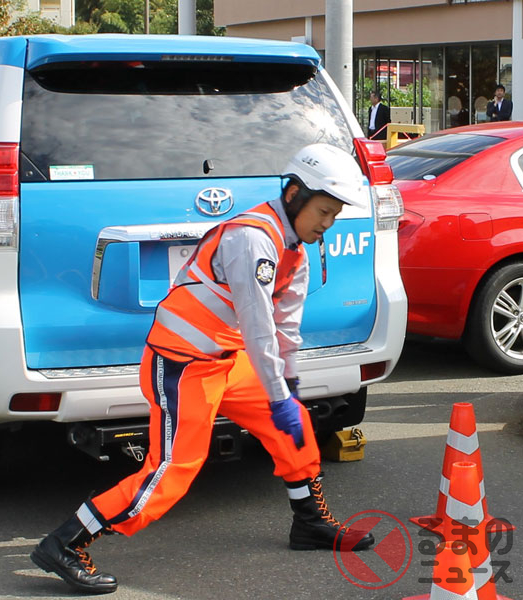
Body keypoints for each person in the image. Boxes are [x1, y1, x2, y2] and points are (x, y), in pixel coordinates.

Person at [29, 144, 375, 595]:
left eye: (334, 215)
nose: (327, 224)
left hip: (228, 361)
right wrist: (277, 393)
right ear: (294, 194)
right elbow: (258, 327)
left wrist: (286, 389)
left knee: (296, 432)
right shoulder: (253, 238)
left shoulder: (298, 250)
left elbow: (285, 330)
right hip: (182, 365)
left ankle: (309, 523)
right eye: (324, 211)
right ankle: (65, 543)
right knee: (172, 471)